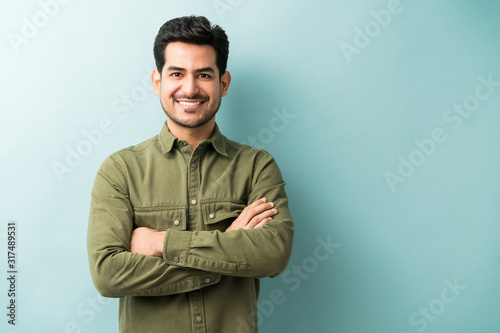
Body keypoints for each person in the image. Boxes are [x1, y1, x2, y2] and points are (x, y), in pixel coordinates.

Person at [87, 15, 294, 333]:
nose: (190, 88)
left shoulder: (257, 167)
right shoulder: (120, 171)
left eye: (204, 75)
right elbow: (108, 274)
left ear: (223, 83)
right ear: (158, 81)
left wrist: (160, 242)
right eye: (177, 74)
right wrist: (227, 246)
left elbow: (273, 254)